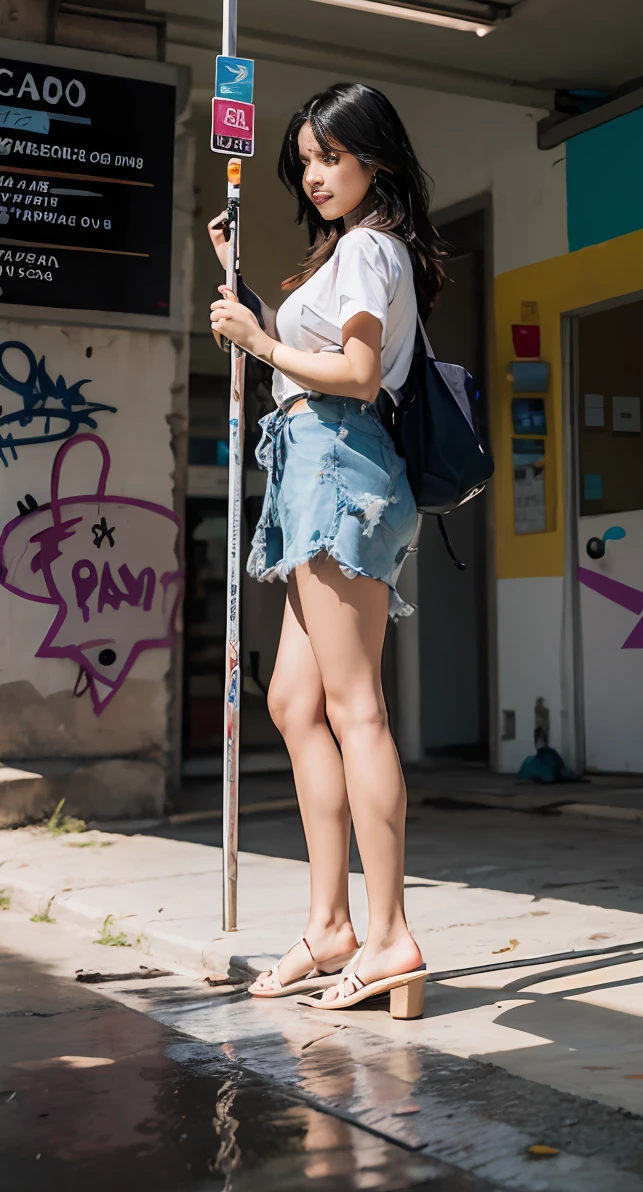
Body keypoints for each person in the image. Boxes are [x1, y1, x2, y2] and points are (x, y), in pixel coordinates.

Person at [206, 82, 447, 1020]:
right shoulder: (352, 253)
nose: (312, 176)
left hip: (339, 465)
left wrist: (260, 340)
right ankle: (331, 924)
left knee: (357, 710)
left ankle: (388, 938)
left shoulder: (368, 247)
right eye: (304, 161)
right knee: (294, 698)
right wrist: (253, 298)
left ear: (372, 160)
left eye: (329, 158)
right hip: (317, 463)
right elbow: (325, 360)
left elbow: (351, 372)